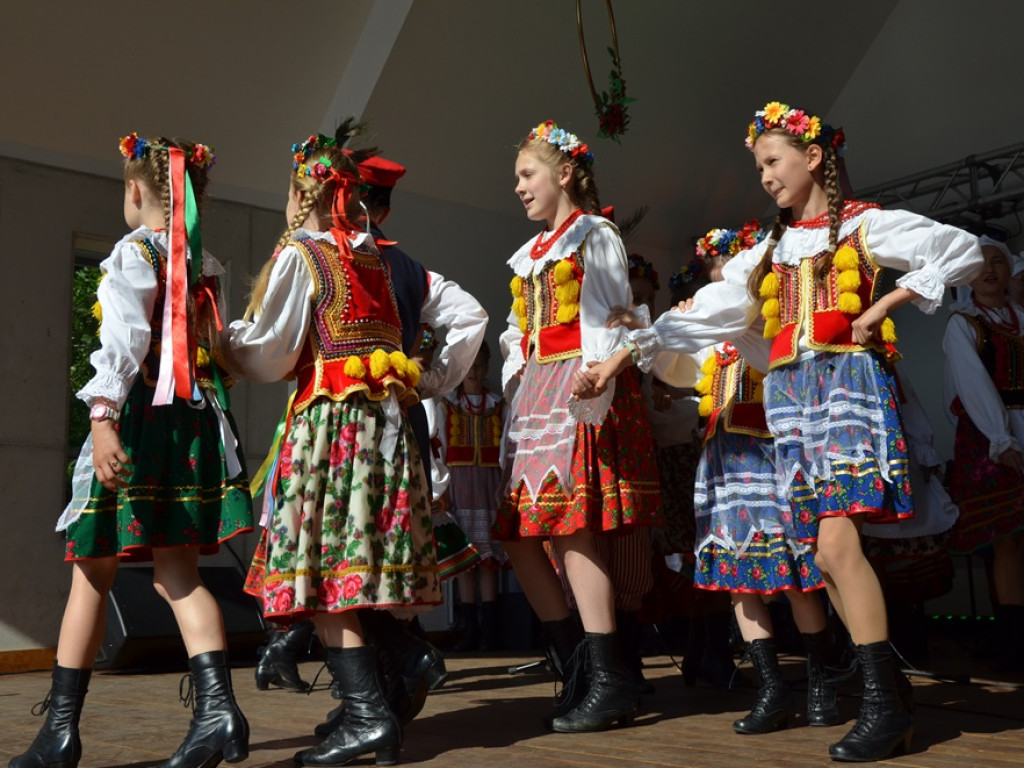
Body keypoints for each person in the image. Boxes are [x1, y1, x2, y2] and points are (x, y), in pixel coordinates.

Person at [576, 101, 983, 761]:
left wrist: (883, 302)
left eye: (772, 162)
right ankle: (887, 691)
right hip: (792, 403)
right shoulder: (766, 253)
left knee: (837, 549)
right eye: (759, 166)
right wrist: (619, 359)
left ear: (814, 156)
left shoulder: (863, 227)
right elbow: (697, 318)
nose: (764, 176)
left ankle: (884, 702)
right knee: (823, 556)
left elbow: (961, 250)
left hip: (847, 388)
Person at [12, 134, 253, 768]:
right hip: (189, 430)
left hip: (140, 424)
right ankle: (219, 708)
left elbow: (121, 339)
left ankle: (59, 733)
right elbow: (217, 350)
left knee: (91, 569)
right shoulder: (207, 265)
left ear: (136, 190)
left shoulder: (133, 252)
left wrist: (101, 418)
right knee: (178, 574)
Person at [224, 131, 440, 767]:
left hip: (330, 430)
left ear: (302, 192)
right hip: (381, 432)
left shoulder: (304, 255)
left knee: (317, 570)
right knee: (352, 562)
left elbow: (273, 352)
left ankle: (371, 715)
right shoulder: (371, 257)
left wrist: (222, 346)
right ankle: (402, 659)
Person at [496, 120, 662, 733]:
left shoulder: (595, 234)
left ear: (564, 173)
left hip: (581, 383)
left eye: (526, 174)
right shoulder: (533, 252)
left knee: (570, 529)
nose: (518, 187)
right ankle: (577, 665)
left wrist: (600, 376)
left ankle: (609, 675)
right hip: (539, 387)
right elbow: (520, 327)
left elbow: (616, 317)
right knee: (518, 532)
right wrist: (517, 371)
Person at [686, 225, 838, 734]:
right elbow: (672, 369)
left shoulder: (770, 327)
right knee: (737, 579)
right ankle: (772, 688)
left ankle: (820, 681)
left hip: (769, 459)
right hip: (725, 464)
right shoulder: (711, 346)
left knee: (795, 576)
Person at [943, 237, 1024, 673]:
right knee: (1008, 539)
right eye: (981, 263)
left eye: (999, 262)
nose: (991, 269)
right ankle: (1012, 641)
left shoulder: (1022, 320)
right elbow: (971, 384)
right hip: (993, 434)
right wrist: (1002, 438)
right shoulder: (964, 324)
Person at [439, 341, 509, 651]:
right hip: (459, 487)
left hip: (489, 488)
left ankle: (491, 629)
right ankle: (468, 628)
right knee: (466, 560)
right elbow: (439, 447)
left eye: (480, 365)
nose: (474, 371)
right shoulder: (448, 405)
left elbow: (507, 450)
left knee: (487, 560)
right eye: (469, 366)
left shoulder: (498, 404)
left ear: (487, 367)